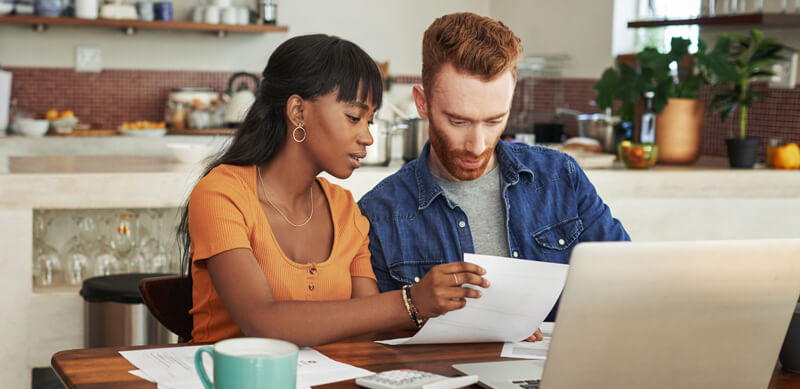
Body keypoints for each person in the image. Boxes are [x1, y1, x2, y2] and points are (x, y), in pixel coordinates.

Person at [177, 34, 490, 346]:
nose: (367, 137)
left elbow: (369, 328)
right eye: (354, 117)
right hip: (227, 388)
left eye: (369, 121)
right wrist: (411, 301)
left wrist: (484, 326)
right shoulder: (222, 194)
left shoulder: (344, 208)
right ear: (298, 112)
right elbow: (262, 323)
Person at [357, 13, 630, 325]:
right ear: (422, 102)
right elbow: (376, 340)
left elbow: (625, 279)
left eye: (494, 120)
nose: (477, 144)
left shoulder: (560, 176)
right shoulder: (378, 213)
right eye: (458, 121)